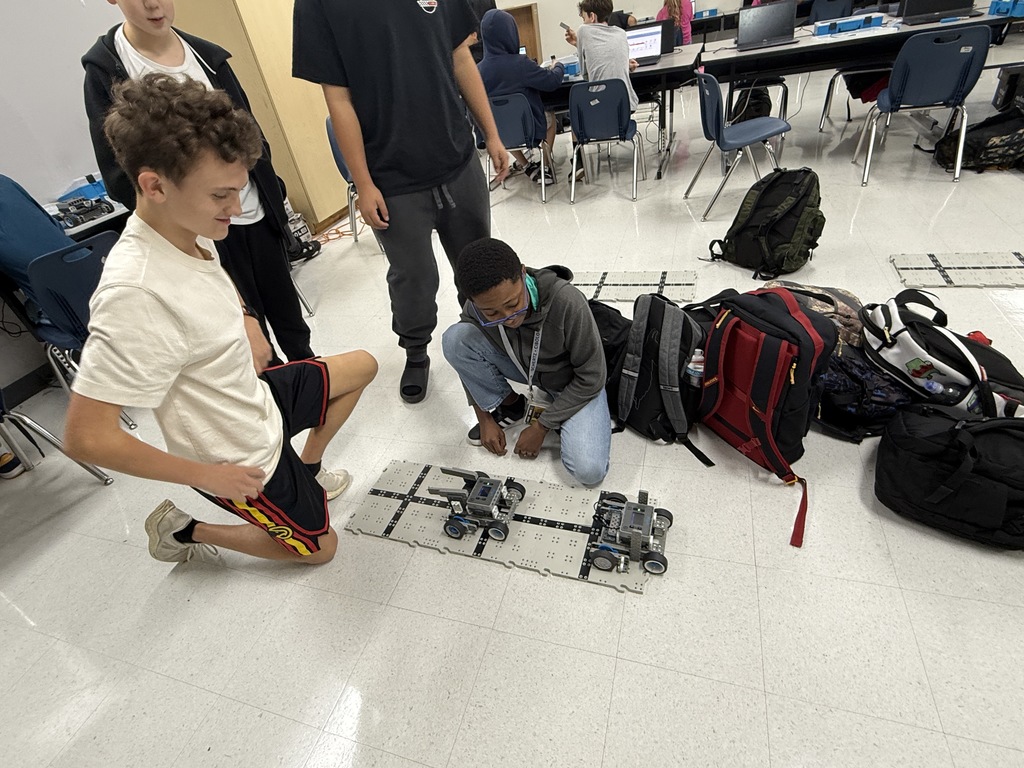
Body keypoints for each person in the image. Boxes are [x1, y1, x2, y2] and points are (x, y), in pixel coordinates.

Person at [64, 74, 378, 565]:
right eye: (220, 196)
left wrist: (247, 318)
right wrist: (209, 476)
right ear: (154, 185)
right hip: (233, 455)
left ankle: (307, 470)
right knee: (321, 550)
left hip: (254, 399)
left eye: (238, 190)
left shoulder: (188, 226)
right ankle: (183, 530)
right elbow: (87, 437)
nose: (236, 207)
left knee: (362, 366)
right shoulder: (134, 293)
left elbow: (210, 273)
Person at [293, 0, 510, 404]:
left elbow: (460, 57)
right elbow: (338, 99)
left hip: (456, 157)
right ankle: (415, 350)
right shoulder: (317, 5)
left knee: (477, 263)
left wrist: (492, 134)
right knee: (414, 277)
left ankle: (488, 341)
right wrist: (362, 183)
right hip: (391, 174)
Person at [83, 0, 318, 367]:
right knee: (246, 332)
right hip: (199, 229)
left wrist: (271, 194)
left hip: (254, 214)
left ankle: (308, 373)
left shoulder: (208, 58)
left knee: (286, 311)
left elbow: (251, 134)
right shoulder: (107, 71)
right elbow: (119, 172)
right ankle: (270, 389)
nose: (153, 4)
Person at [442, 238, 610, 487]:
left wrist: (542, 426)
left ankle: (562, 412)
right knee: (455, 339)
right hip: (525, 368)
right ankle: (511, 406)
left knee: (589, 470)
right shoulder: (477, 305)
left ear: (522, 274)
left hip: (572, 380)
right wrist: (484, 418)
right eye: (492, 313)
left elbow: (593, 376)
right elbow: (463, 358)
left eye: (513, 304)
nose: (508, 318)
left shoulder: (567, 301)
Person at [477, 9, 565, 187]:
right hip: (529, 131)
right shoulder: (521, 63)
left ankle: (526, 166)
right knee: (550, 116)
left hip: (496, 135)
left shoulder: (477, 70)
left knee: (503, 122)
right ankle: (545, 166)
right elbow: (552, 82)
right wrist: (558, 66)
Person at [563, 0, 639, 179]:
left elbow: (586, 74)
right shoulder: (621, 33)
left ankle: (579, 163)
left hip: (597, 113)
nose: (582, 21)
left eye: (583, 17)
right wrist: (624, 65)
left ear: (592, 16)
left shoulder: (583, 31)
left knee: (576, 116)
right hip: (623, 112)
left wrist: (579, 43)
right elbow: (610, 57)